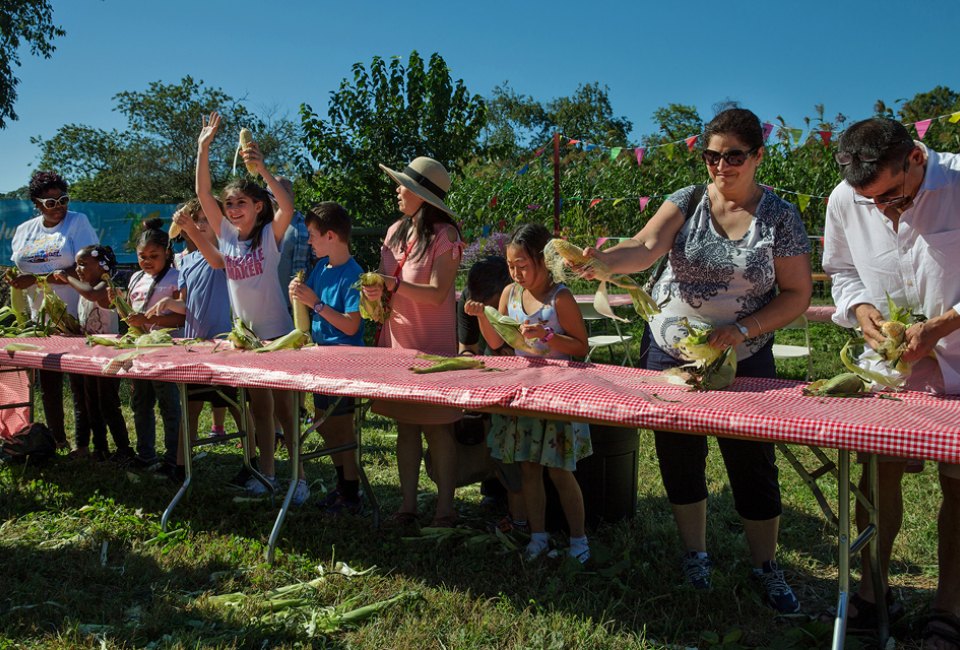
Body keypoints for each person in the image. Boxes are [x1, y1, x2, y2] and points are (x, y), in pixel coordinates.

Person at [578, 108, 811, 612]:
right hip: (671, 348)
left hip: (744, 351)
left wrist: (743, 329)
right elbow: (643, 246)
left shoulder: (780, 217)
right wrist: (598, 260)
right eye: (712, 156)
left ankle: (766, 565)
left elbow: (795, 293)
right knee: (679, 454)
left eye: (734, 156)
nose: (721, 166)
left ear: (757, 157)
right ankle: (695, 555)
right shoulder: (687, 200)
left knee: (752, 460)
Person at [822, 116, 960, 647]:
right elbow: (841, 269)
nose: (886, 210)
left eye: (895, 198)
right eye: (873, 203)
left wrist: (944, 324)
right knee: (876, 478)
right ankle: (873, 591)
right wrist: (860, 312)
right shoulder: (845, 199)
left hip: (959, 362)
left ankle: (948, 609)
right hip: (890, 369)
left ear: (917, 158)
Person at [465, 223, 591, 562]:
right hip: (523, 394)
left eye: (522, 264)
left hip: (557, 396)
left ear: (542, 260)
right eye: (510, 265)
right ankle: (538, 536)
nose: (516, 272)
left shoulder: (559, 298)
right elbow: (496, 343)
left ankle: (579, 542)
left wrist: (548, 337)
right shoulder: (509, 295)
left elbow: (581, 346)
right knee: (528, 469)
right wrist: (482, 317)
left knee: (560, 471)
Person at [194, 111, 298, 498]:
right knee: (260, 412)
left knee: (287, 412)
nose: (233, 208)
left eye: (241, 202)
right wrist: (204, 147)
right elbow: (204, 194)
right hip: (247, 339)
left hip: (278, 335)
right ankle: (267, 474)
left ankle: (298, 478)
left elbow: (286, 207)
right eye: (229, 203)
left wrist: (263, 170)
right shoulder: (225, 235)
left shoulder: (269, 236)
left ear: (257, 206)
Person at [361, 156, 463, 528]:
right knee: (405, 427)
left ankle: (445, 510)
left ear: (422, 195)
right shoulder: (393, 233)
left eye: (404, 185)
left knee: (438, 429)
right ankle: (407, 508)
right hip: (398, 348)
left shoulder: (447, 237)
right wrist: (374, 294)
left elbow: (438, 295)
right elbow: (388, 294)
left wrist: (393, 285)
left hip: (435, 353)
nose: (398, 190)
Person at [147, 201, 247, 480]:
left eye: (206, 219)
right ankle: (180, 466)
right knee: (189, 407)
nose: (201, 225)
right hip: (195, 346)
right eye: (196, 220)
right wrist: (170, 303)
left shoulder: (226, 254)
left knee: (236, 406)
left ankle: (252, 462)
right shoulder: (187, 261)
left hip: (224, 345)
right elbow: (190, 304)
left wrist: (193, 229)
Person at [8, 171, 96, 450]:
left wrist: (36, 279)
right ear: (36, 203)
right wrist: (16, 281)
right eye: (51, 202)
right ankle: (58, 440)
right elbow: (20, 268)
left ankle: (83, 446)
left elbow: (88, 266)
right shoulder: (25, 231)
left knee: (80, 384)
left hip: (75, 317)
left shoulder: (77, 222)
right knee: (48, 384)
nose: (59, 207)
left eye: (63, 200)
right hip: (40, 321)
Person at [288, 202, 364, 514]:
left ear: (331, 236)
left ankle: (351, 490)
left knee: (341, 427)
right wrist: (300, 294)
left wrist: (316, 303)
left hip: (344, 363)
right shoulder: (321, 268)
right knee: (323, 424)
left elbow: (351, 324)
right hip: (321, 358)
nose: (309, 241)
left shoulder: (354, 274)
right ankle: (343, 485)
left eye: (313, 235)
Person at [117, 219, 185, 471]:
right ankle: (145, 455)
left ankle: (173, 459)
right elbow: (132, 311)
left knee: (169, 404)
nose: (147, 261)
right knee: (140, 403)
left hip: (166, 350)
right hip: (139, 350)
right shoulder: (136, 278)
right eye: (142, 256)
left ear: (167, 253)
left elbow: (182, 316)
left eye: (153, 256)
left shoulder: (178, 277)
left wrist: (150, 319)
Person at [72, 245, 135, 464]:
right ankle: (100, 447)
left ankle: (124, 448)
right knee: (92, 403)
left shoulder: (104, 287)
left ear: (102, 266)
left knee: (108, 402)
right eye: (77, 264)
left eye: (83, 264)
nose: (78, 269)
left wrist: (66, 278)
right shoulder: (85, 288)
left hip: (109, 355)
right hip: (90, 357)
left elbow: (92, 295)